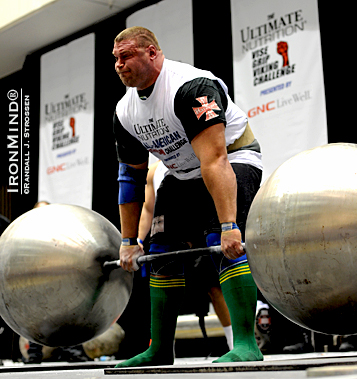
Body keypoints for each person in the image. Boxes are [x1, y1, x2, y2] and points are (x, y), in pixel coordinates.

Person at [112, 26, 263, 367]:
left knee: (221, 241)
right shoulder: (125, 112)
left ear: (153, 53)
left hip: (233, 160)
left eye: (127, 56)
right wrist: (128, 240)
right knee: (160, 252)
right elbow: (131, 177)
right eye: (116, 59)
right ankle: (160, 349)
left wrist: (229, 225)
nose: (120, 65)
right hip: (181, 174)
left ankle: (246, 344)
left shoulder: (191, 87)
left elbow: (215, 160)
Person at [139, 160, 233, 351]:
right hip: (171, 231)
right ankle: (163, 347)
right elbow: (149, 208)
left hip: (201, 224)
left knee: (215, 286)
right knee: (164, 285)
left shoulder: (195, 158)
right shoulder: (153, 172)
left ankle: (235, 342)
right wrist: (138, 241)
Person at [25, 201, 89, 364]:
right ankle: (34, 354)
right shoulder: (27, 235)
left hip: (60, 281)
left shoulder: (62, 232)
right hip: (36, 282)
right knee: (35, 316)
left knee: (69, 313)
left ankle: (72, 351)